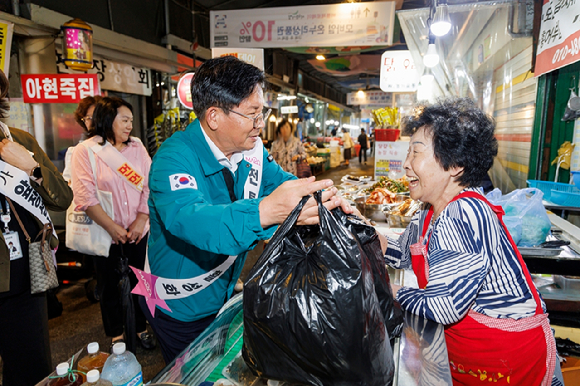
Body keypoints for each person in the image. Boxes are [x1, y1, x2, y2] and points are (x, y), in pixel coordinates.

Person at [144, 56, 351, 364]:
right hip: (180, 304)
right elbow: (193, 221)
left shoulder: (250, 148)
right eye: (252, 114)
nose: (260, 124)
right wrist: (265, 211)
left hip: (225, 293)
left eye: (261, 113)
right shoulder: (173, 159)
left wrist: (327, 198)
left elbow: (283, 183)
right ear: (214, 116)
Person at [380, 98, 558, 385]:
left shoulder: (464, 213)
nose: (406, 165)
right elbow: (402, 253)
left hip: (509, 357)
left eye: (416, 153)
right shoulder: (429, 210)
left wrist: (388, 289)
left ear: (456, 164)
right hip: (475, 356)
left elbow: (445, 305)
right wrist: (358, 230)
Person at [0, 69, 73, 386]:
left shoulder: (19, 140)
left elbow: (62, 198)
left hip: (31, 269)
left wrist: (30, 167)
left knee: (32, 369)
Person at [70, 96, 155, 351]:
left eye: (131, 121)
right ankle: (116, 332)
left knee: (141, 280)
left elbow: (150, 185)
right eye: (125, 120)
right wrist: (112, 228)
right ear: (108, 120)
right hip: (105, 232)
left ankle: (142, 326)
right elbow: (85, 196)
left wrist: (141, 219)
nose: (130, 126)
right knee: (108, 284)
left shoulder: (137, 147)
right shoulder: (85, 151)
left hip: (138, 230)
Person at [63, 95, 102, 184]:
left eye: (98, 117)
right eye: (89, 118)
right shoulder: (75, 151)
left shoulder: (127, 146)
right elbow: (68, 186)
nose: (94, 122)